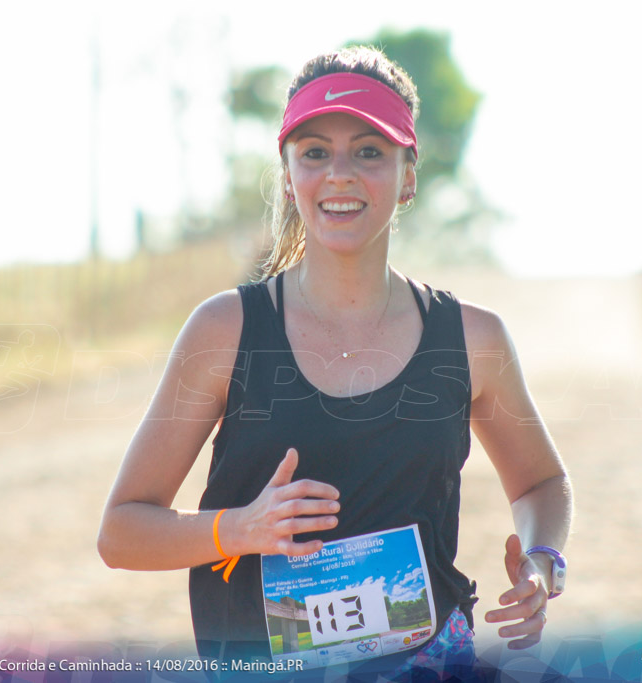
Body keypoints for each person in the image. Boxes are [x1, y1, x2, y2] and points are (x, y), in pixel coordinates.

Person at [98, 46, 572, 679]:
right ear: (290, 174)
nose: (340, 174)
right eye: (315, 152)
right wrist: (238, 529)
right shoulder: (225, 331)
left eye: (369, 151)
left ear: (408, 176)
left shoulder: (472, 339)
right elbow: (122, 531)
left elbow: (542, 484)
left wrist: (542, 562)